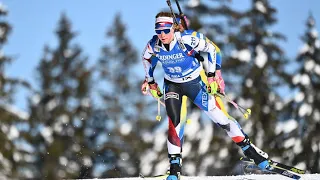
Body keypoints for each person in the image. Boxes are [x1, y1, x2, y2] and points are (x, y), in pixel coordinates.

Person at [141, 12, 270, 180]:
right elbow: (146, 59)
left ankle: (250, 150)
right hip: (172, 85)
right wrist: (150, 81)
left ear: (173, 28)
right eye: (158, 30)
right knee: (174, 121)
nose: (162, 34)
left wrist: (212, 75)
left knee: (220, 117)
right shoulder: (154, 45)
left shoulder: (187, 38)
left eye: (166, 30)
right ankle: (174, 168)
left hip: (195, 83)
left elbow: (212, 49)